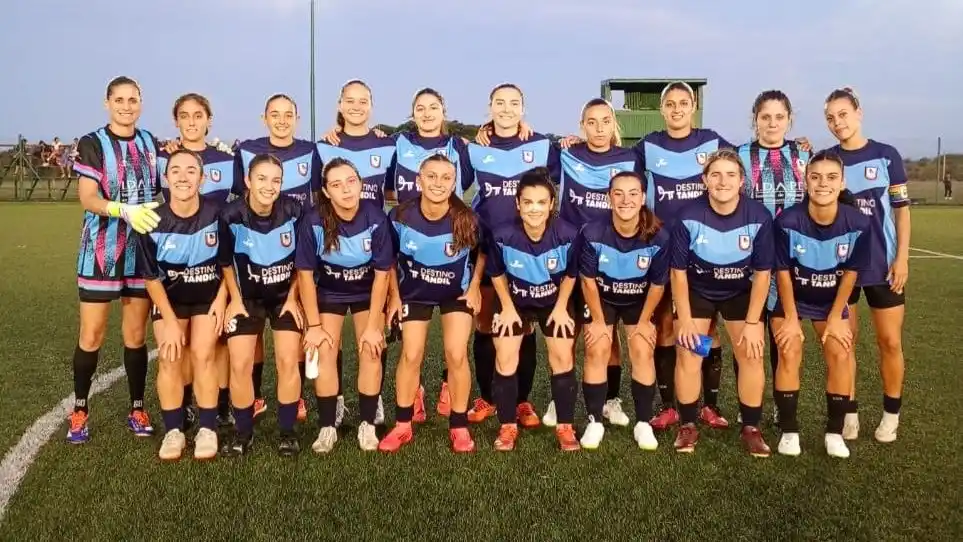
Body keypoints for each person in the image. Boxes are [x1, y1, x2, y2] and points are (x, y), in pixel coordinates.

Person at [67, 76, 162, 444]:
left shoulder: (150, 142)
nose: (126, 106)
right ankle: (80, 410)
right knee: (92, 334)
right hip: (101, 251)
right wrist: (123, 209)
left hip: (141, 251)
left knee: (135, 335)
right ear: (107, 103)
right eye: (119, 99)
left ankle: (137, 407)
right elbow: (88, 197)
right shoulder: (92, 143)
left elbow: (162, 187)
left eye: (132, 99)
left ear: (141, 103)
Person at [467, 83, 561, 428]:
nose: (506, 109)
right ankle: (488, 398)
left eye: (513, 103)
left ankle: (522, 401)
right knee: (485, 322)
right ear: (490, 107)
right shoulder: (476, 148)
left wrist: (573, 140)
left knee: (525, 324)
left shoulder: (541, 146)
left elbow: (565, 172)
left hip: (530, 249)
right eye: (500, 102)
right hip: (486, 247)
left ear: (523, 109)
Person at [670, 149, 775, 457]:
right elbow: (678, 273)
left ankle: (751, 428)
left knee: (751, 355)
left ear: (742, 181)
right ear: (705, 180)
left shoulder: (759, 216)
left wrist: (754, 323)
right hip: (698, 292)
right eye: (715, 174)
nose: (722, 181)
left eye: (730, 175)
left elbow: (763, 274)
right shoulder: (688, 216)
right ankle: (688, 425)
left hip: (739, 292)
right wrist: (685, 319)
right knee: (690, 353)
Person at [547, 97, 644, 429]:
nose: (599, 128)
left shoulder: (631, 158)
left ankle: (610, 400)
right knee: (567, 332)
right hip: (570, 256)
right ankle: (558, 398)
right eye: (591, 122)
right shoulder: (567, 154)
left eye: (605, 121)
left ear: (614, 124)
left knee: (607, 334)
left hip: (611, 259)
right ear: (581, 126)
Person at [378, 154, 482, 453]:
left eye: (446, 177)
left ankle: (459, 426)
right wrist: (394, 296)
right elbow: (388, 260)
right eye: (431, 176)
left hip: (455, 293)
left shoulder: (467, 218)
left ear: (454, 183)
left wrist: (475, 286)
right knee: (411, 354)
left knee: (456, 354)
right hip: (414, 293)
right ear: (419, 180)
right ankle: (403, 425)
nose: (438, 183)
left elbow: (483, 253)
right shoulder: (399, 216)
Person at [825, 87, 911, 443]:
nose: (837, 123)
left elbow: (901, 212)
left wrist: (902, 258)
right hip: (843, 269)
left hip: (883, 266)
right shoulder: (828, 159)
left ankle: (891, 414)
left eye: (843, 114)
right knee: (845, 343)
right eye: (830, 118)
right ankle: (850, 414)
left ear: (858, 113)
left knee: (889, 341)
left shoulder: (886, 156)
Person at [770, 150, 870, 458]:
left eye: (831, 177)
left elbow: (851, 273)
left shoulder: (859, 223)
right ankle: (789, 431)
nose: (823, 183)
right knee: (788, 349)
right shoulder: (787, 221)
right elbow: (783, 273)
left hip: (830, 301)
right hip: (792, 298)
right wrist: (790, 317)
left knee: (841, 352)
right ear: (805, 182)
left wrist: (838, 316)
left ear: (842, 183)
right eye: (815, 177)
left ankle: (834, 432)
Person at [233, 93, 322, 425]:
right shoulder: (246, 150)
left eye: (288, 114)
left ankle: (296, 399)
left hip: (295, 250)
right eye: (275, 114)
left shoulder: (311, 151)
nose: (282, 120)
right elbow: (240, 200)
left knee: (293, 331)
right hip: (256, 253)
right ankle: (255, 397)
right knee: (252, 336)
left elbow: (318, 195)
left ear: (297, 119)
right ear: (264, 118)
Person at [296, 158, 394, 453]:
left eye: (351, 181)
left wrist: (374, 326)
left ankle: (367, 423)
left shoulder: (376, 218)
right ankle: (327, 426)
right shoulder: (313, 221)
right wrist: (314, 326)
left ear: (361, 183)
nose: (346, 189)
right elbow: (304, 275)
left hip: (366, 291)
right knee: (324, 350)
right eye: (336, 185)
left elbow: (382, 276)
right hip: (330, 291)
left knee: (371, 348)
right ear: (326, 192)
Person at [137, 149, 226, 460]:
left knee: (203, 354)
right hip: (170, 301)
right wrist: (171, 321)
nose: (183, 177)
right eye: (175, 171)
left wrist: (222, 299)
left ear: (202, 179)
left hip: (208, 298)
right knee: (170, 357)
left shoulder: (218, 214)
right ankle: (173, 430)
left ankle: (208, 428)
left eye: (191, 171)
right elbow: (151, 278)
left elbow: (229, 264)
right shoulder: (151, 221)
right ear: (166, 178)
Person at [317, 79, 397, 425]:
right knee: (330, 340)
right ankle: (334, 398)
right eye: (349, 100)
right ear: (339, 104)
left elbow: (393, 190)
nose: (356, 106)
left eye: (363, 100)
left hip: (374, 249)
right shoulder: (324, 146)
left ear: (371, 105)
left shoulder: (387, 144)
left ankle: (372, 399)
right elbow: (318, 196)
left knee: (375, 333)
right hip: (333, 252)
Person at [485, 168, 580, 451]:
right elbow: (496, 273)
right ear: (518, 203)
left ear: (551, 204)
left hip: (553, 303)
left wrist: (561, 308)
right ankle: (507, 426)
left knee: (562, 356)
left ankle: (565, 427)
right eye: (528, 202)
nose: (534, 209)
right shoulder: (502, 235)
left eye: (541, 202)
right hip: (514, 301)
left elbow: (571, 275)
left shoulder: (568, 234)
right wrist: (507, 307)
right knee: (505, 355)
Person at [157, 93, 237, 430]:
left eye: (198, 115)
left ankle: (220, 405)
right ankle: (187, 404)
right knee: (183, 344)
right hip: (175, 260)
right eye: (185, 116)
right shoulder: (163, 157)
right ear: (176, 121)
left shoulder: (227, 159)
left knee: (217, 341)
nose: (191, 122)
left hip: (214, 260)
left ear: (209, 120)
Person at [219, 154, 305, 457]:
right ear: (248, 181)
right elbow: (225, 262)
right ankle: (243, 432)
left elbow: (304, 263)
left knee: (288, 360)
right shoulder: (230, 215)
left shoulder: (294, 211)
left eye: (276, 180)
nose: (269, 186)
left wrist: (293, 297)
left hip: (284, 297)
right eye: (262, 178)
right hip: (247, 298)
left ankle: (287, 432)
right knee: (240, 363)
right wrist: (235, 299)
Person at [579, 171, 670, 450]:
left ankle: (643, 423)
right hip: (602, 298)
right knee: (597, 347)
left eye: (633, 194)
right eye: (618, 194)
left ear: (643, 198)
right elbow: (588, 281)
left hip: (638, 301)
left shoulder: (658, 236)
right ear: (609, 198)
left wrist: (644, 322)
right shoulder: (592, 232)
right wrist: (597, 320)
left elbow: (657, 285)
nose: (625, 200)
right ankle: (595, 421)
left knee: (642, 348)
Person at [737, 90, 812, 425]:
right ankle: (748, 411)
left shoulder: (803, 155)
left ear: (789, 120)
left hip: (789, 264)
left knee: (784, 341)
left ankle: (784, 413)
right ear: (755, 120)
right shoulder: (740, 155)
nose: (772, 123)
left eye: (779, 117)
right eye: (765, 117)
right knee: (747, 341)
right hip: (746, 263)